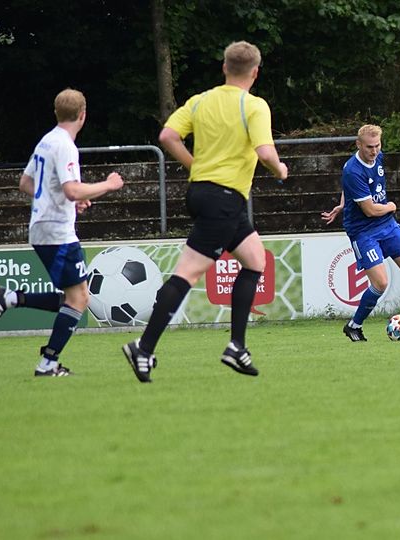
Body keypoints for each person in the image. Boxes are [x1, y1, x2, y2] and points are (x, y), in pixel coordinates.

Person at [122, 41, 288, 383]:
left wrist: (195, 165)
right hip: (223, 199)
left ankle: (237, 346)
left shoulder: (200, 101)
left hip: (204, 194)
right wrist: (280, 170)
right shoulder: (253, 105)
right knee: (188, 273)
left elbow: (168, 135)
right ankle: (143, 347)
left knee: (255, 260)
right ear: (255, 72)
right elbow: (265, 152)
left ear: (224, 67)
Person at [0, 88, 125, 376]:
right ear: (83, 115)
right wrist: (108, 185)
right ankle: (47, 363)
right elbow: (71, 190)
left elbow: (26, 183)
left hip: (42, 226)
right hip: (57, 231)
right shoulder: (65, 146)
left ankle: (12, 299)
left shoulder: (47, 141)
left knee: (75, 297)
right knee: (78, 299)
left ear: (56, 112)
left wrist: (68, 199)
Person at [321, 125, 400, 341]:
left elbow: (348, 188)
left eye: (377, 146)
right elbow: (370, 210)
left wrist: (343, 203)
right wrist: (391, 206)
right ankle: (354, 326)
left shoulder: (377, 157)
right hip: (363, 231)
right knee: (380, 283)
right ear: (358, 144)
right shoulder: (353, 170)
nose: (374, 151)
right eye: (369, 147)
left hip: (387, 225)